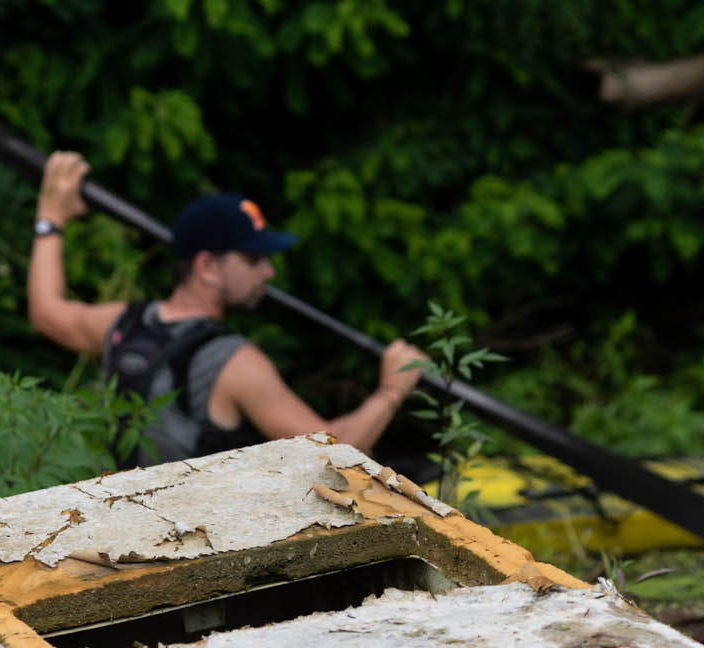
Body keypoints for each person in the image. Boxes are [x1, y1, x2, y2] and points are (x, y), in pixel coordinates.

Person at [27, 150, 427, 466]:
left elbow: (47, 310)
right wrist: (392, 389)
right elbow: (333, 452)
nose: (268, 272)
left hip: (124, 537)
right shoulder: (234, 363)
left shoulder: (124, 324)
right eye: (253, 260)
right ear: (206, 267)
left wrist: (51, 218)